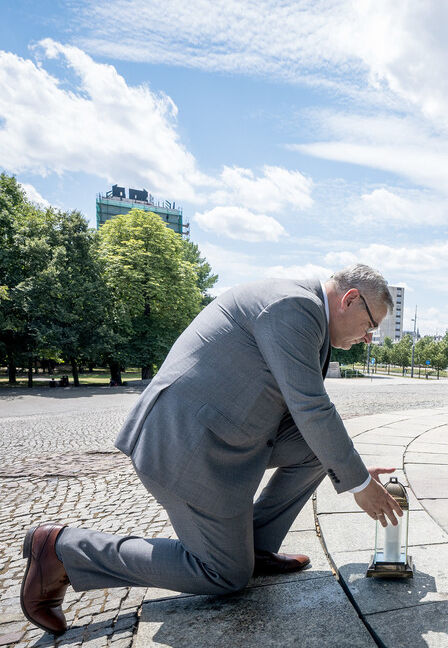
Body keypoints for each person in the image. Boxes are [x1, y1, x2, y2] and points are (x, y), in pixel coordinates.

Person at [20, 264, 404, 635]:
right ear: (350, 299)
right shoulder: (295, 306)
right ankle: (62, 550)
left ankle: (254, 549)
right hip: (185, 445)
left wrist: (350, 468)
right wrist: (357, 484)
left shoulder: (305, 311)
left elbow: (311, 422)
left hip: (219, 434)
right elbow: (311, 406)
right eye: (371, 325)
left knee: (319, 450)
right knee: (225, 575)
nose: (369, 337)